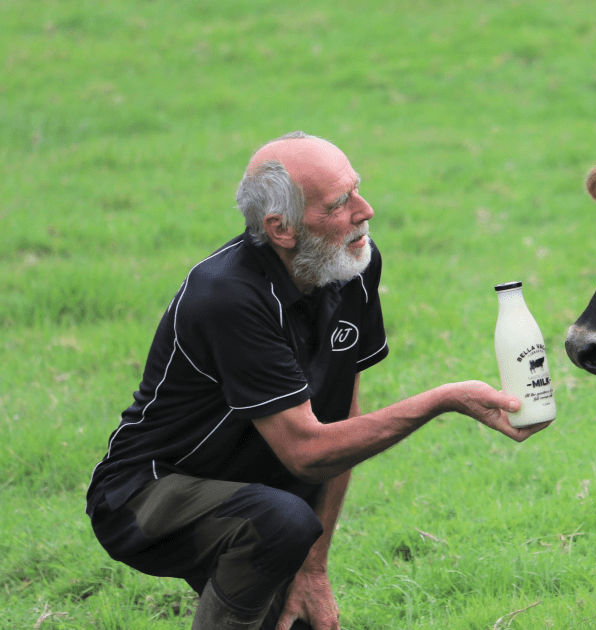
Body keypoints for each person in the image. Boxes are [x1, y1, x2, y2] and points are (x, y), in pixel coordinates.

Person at [85, 131, 548, 630]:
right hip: (147, 493)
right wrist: (442, 400)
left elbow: (339, 423)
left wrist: (314, 567)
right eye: (340, 202)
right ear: (281, 229)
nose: (365, 210)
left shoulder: (351, 264)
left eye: (358, 189)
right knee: (280, 523)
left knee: (299, 607)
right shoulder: (228, 296)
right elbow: (307, 452)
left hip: (256, 496)